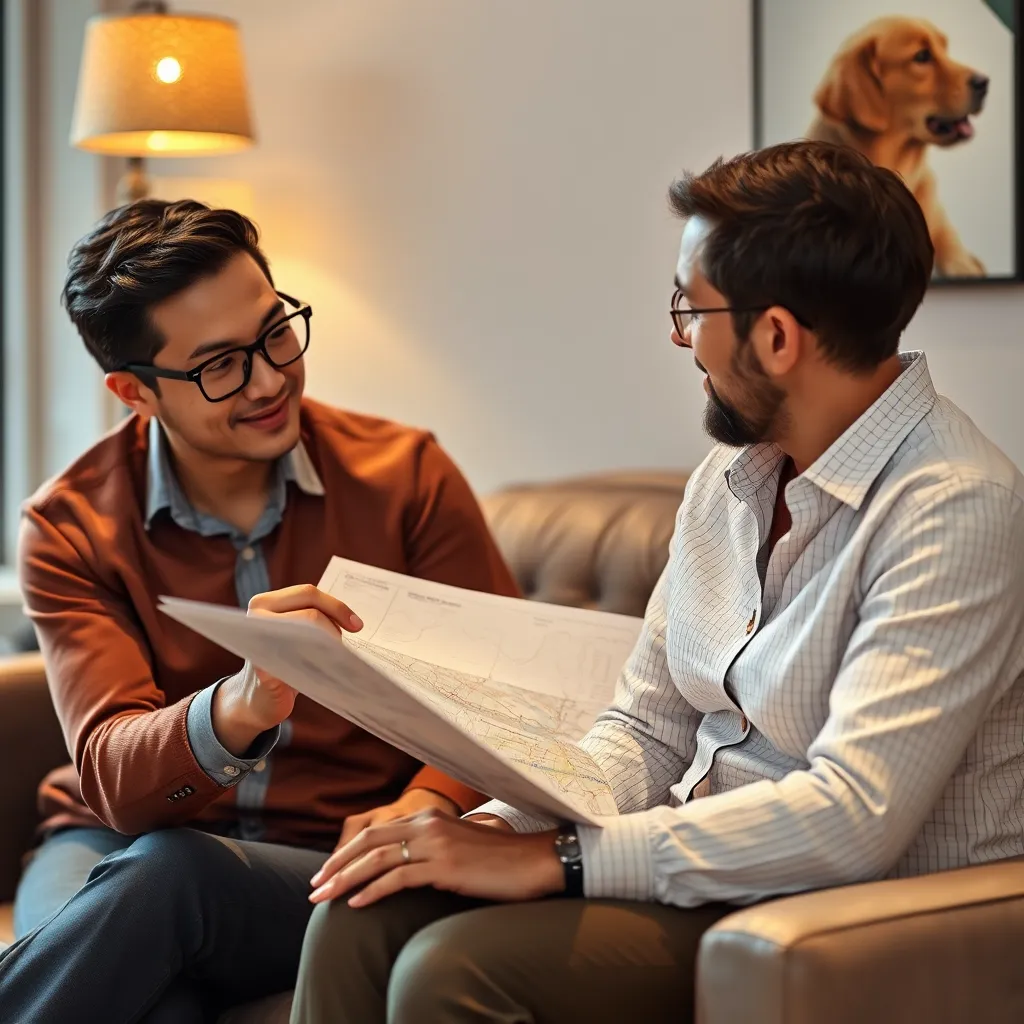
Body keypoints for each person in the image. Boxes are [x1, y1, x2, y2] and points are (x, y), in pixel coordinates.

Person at [286, 140, 1024, 1024]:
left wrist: (559, 862)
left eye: (691, 308)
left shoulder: (954, 506)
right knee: (361, 912)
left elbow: (852, 815)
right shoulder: (730, 479)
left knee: (452, 968)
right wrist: (492, 828)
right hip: (707, 870)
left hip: (858, 915)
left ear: (778, 336)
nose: (683, 337)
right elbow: (647, 727)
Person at [0, 199, 518, 1023]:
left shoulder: (406, 478)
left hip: (325, 855)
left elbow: (502, 696)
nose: (271, 379)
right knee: (157, 982)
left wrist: (427, 805)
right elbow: (116, 783)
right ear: (134, 391)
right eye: (220, 367)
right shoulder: (71, 526)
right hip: (109, 844)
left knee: (175, 877)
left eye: (276, 332)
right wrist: (238, 706)